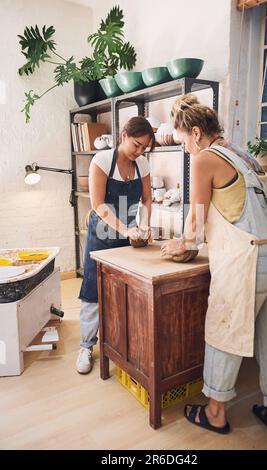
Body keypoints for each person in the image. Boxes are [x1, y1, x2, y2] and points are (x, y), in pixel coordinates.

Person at [161, 94, 267, 443]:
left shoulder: (205, 158)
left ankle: (216, 412)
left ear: (195, 133)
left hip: (249, 261)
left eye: (183, 143)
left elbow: (195, 225)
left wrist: (181, 244)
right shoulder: (244, 156)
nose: (185, 150)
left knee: (224, 330)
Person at [77, 116, 155, 374]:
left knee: (123, 291)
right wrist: (125, 228)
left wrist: (144, 226)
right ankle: (86, 346)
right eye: (136, 144)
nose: (140, 151)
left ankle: (121, 345)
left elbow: (146, 200)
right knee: (93, 290)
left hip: (128, 238)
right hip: (102, 236)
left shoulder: (142, 163)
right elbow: (98, 204)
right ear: (123, 136)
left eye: (145, 147)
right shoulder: (101, 161)